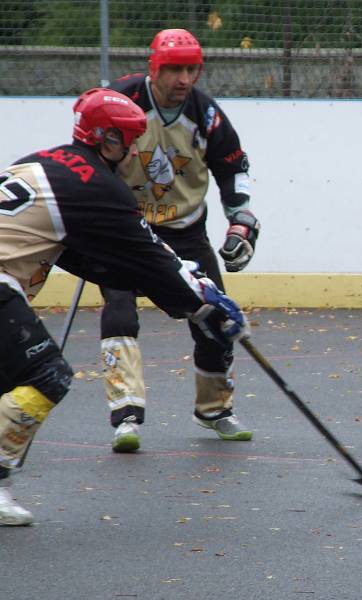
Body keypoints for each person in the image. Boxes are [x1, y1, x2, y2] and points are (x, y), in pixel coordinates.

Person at [0, 88, 248, 524]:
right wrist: (203, 305)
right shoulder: (98, 185)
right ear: (106, 138)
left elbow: (94, 261)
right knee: (48, 375)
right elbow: (150, 256)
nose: (134, 150)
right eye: (128, 140)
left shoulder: (44, 159)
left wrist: (177, 293)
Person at [100, 28, 260, 453]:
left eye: (191, 69)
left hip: (186, 229)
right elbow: (90, 154)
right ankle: (125, 416)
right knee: (119, 314)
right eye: (173, 69)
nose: (183, 79)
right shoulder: (123, 101)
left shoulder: (206, 115)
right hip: (126, 231)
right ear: (154, 68)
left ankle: (213, 410)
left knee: (216, 321)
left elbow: (232, 169)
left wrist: (240, 222)